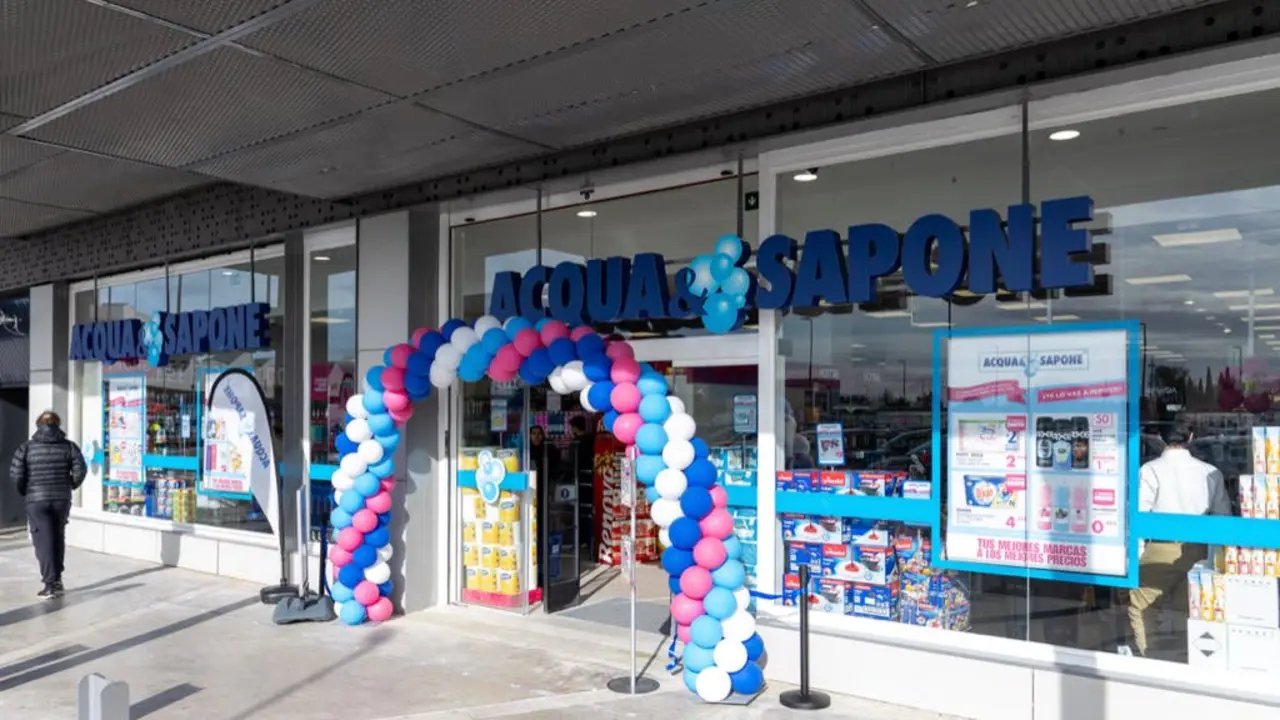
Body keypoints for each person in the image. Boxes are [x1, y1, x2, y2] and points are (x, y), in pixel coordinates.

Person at [1127, 416, 1229, 657]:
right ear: (1191, 437)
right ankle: (1191, 656)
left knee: (1142, 606)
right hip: (1201, 549)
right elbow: (1223, 516)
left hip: (1162, 548)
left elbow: (1139, 515)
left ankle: (1148, 657)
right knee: (1192, 609)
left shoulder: (1150, 470)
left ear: (1161, 438)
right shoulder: (1210, 472)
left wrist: (1138, 552)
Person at [11, 411, 87, 598]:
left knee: (43, 540)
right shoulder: (69, 447)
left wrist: (25, 491)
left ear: (38, 425)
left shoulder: (26, 448)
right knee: (57, 536)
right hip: (61, 498)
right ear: (58, 425)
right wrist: (70, 485)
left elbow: (16, 474)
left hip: (36, 500)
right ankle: (57, 579)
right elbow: (80, 469)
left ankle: (49, 584)